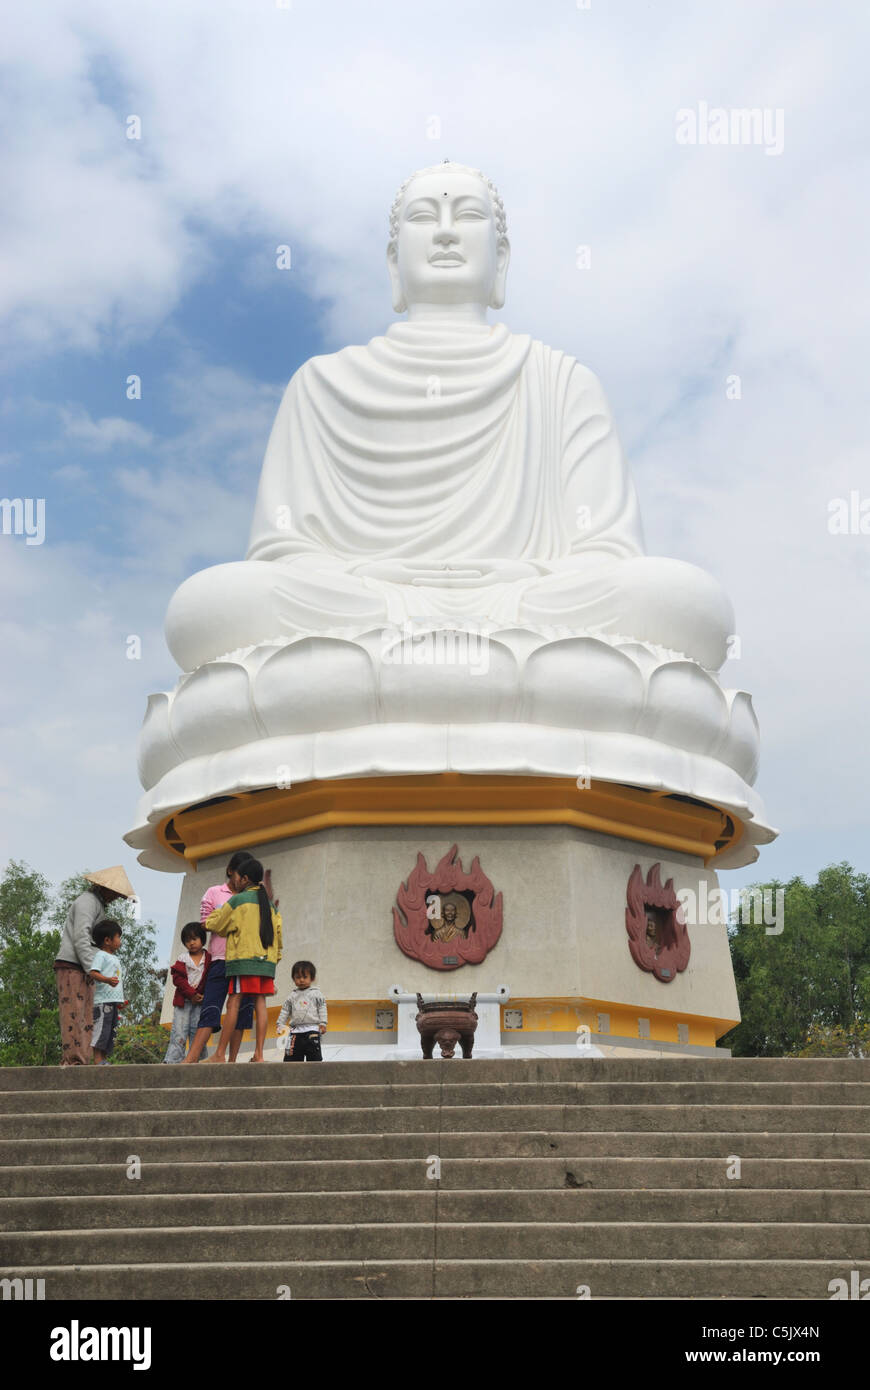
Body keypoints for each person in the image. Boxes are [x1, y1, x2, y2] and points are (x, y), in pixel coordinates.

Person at [181, 851, 259, 1065]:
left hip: (245, 960)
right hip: (220, 959)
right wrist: (230, 919)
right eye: (240, 874)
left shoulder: (253, 898)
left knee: (242, 1012)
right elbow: (205, 923)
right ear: (230, 871)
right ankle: (191, 1058)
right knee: (210, 1008)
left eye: (247, 877)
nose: (243, 880)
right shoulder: (214, 892)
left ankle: (231, 1060)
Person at [53, 865, 136, 1067]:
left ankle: (86, 1062)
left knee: (88, 1015)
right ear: (105, 888)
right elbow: (81, 937)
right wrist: (94, 969)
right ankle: (74, 1063)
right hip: (74, 965)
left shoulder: (96, 904)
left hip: (83, 967)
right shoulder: (87, 903)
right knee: (75, 1014)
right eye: (115, 893)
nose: (115, 898)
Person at [204, 857, 282, 1063]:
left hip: (244, 961)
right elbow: (279, 936)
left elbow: (215, 924)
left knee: (233, 1003)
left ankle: (219, 1054)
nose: (234, 880)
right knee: (261, 1003)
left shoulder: (238, 901)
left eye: (237, 876)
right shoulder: (270, 906)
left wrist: (217, 913)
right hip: (267, 963)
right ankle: (259, 1054)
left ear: (245, 879)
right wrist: (275, 959)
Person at [163, 923, 211, 1063]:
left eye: (195, 938)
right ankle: (173, 1060)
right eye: (188, 940)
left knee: (197, 1031)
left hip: (200, 1002)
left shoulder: (208, 959)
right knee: (179, 1030)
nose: (191, 943)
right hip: (183, 1002)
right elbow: (178, 979)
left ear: (202, 938)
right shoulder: (182, 959)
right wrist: (191, 994)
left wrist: (203, 995)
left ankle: (197, 1059)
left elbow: (210, 979)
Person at [89, 920, 127, 1065]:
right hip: (102, 1002)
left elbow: (117, 981)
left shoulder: (115, 958)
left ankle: (103, 1059)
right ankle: (98, 1060)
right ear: (107, 940)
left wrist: (120, 1000)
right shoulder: (101, 956)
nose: (120, 940)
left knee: (110, 1032)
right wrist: (106, 980)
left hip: (112, 1002)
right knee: (101, 1030)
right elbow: (93, 973)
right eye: (118, 937)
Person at [277, 961, 327, 1062]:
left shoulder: (316, 993)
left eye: (305, 977)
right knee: (291, 1059)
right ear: (293, 979)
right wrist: (280, 1023)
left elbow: (322, 1008)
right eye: (298, 977)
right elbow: (285, 1010)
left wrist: (323, 1023)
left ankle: (313, 1077)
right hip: (295, 1032)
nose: (301, 980)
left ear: (312, 978)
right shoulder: (292, 996)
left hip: (312, 1031)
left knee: (314, 1059)